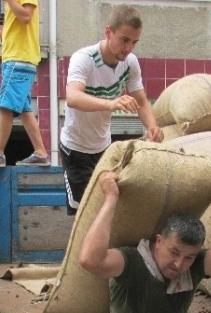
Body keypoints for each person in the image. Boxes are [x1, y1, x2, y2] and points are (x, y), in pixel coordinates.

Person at [79, 172, 211, 313]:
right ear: (158, 241)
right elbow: (90, 260)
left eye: (189, 257)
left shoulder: (196, 265)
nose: (180, 264)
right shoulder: (132, 261)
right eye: (174, 252)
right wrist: (111, 198)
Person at [60, 5, 163, 215]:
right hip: (76, 149)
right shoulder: (84, 59)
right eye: (124, 40)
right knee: (84, 214)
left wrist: (153, 126)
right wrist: (110, 104)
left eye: (134, 42)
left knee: (108, 209)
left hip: (104, 147)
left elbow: (142, 102)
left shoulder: (130, 63)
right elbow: (72, 97)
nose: (128, 48)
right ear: (108, 32)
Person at [0, 0, 50, 167]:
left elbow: (26, 16)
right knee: (24, 110)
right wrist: (0, 34)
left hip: (18, 59)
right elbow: (19, 24)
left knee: (6, 105)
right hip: (18, 59)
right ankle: (40, 152)